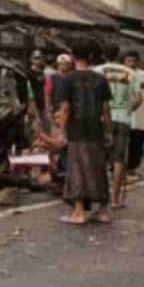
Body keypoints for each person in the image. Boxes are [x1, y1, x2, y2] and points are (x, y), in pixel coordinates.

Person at [59, 42, 113, 224]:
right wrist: (109, 132)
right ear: (90, 57)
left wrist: (61, 131)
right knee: (99, 167)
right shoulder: (101, 79)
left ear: (73, 57)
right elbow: (106, 109)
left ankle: (79, 211)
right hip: (96, 130)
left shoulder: (67, 79)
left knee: (77, 168)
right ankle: (103, 211)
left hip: (77, 130)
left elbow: (65, 108)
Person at [95, 47, 141, 208]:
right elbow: (138, 97)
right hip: (122, 118)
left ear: (103, 55)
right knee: (119, 159)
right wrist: (128, 109)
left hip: (101, 117)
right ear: (119, 56)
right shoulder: (130, 73)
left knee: (99, 156)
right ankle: (115, 199)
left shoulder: (97, 70)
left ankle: (99, 197)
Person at [124, 51, 144, 176]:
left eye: (133, 61)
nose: (131, 63)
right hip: (122, 113)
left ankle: (132, 166)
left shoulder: (142, 75)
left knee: (137, 142)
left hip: (139, 113)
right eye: (128, 61)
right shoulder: (119, 74)